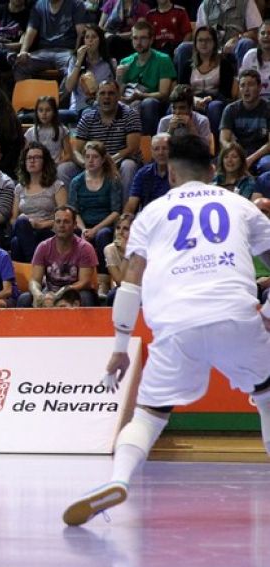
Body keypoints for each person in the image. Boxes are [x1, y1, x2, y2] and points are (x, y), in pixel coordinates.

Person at [62, 132, 270, 526]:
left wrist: (121, 345)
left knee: (147, 416)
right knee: (266, 393)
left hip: (175, 324)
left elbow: (131, 283)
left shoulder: (152, 214)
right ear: (212, 171)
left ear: (170, 174)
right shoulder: (240, 204)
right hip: (234, 312)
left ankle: (118, 479)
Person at [68, 141, 123, 297]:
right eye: (87, 157)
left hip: (104, 224)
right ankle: (76, 281)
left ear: (103, 159)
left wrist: (95, 229)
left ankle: (103, 283)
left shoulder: (112, 180)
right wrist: (84, 229)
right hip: (82, 224)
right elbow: (74, 211)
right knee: (75, 236)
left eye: (95, 157)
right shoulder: (76, 182)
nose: (91, 161)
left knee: (102, 235)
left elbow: (115, 212)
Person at [18, 204, 99, 307]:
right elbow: (35, 280)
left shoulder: (85, 248)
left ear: (74, 225)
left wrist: (61, 293)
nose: (61, 225)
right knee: (24, 298)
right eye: (58, 221)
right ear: (54, 225)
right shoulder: (43, 247)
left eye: (66, 221)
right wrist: (38, 294)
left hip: (74, 292)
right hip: (50, 291)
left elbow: (85, 282)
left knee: (85, 297)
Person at [117, 20, 177, 136]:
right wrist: (119, 78)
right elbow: (119, 94)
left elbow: (163, 93)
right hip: (129, 101)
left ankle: (148, 142)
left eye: (143, 38)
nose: (138, 42)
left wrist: (141, 96)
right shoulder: (125, 62)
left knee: (148, 103)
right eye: (135, 38)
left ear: (151, 39)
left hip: (154, 104)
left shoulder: (163, 59)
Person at [10, 142, 68, 263]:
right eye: (29, 158)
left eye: (37, 157)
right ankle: (35, 266)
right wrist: (25, 224)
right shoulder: (19, 188)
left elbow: (65, 218)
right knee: (20, 223)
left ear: (45, 162)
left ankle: (32, 268)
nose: (32, 161)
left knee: (16, 243)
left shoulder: (56, 186)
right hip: (25, 229)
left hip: (47, 231)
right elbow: (13, 219)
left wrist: (41, 225)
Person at [177, 25, 236, 138]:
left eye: (208, 40)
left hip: (216, 99)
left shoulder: (224, 64)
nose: (204, 43)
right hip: (192, 99)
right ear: (195, 43)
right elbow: (181, 89)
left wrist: (209, 99)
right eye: (200, 40)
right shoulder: (187, 65)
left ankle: (215, 145)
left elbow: (225, 92)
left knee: (215, 107)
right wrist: (193, 99)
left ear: (214, 43)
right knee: (174, 108)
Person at [14, 0, 88, 82]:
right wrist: (23, 51)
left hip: (67, 52)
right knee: (19, 65)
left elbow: (81, 33)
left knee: (74, 68)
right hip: (43, 52)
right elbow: (31, 30)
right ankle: (31, 94)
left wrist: (76, 54)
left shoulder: (76, 4)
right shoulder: (39, 5)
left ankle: (59, 95)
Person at [62, 23, 116, 122]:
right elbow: (69, 87)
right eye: (87, 37)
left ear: (100, 40)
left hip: (97, 108)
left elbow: (114, 91)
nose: (90, 40)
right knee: (51, 115)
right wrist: (79, 62)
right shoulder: (75, 60)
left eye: (94, 37)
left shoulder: (110, 63)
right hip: (76, 109)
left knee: (88, 113)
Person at [220, 70, 270, 174]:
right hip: (238, 153)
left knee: (266, 165)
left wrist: (250, 159)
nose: (246, 89)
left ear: (260, 88)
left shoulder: (268, 109)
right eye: (242, 85)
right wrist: (236, 157)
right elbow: (224, 139)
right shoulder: (230, 109)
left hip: (261, 154)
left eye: (251, 85)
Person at [124, 132, 170, 214]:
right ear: (151, 152)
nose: (160, 153)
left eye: (165, 148)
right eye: (156, 149)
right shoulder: (143, 173)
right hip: (148, 217)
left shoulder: (180, 173)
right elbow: (132, 203)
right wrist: (126, 218)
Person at [23, 96, 71, 170]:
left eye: (48, 110)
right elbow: (25, 154)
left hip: (54, 167)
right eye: (41, 110)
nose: (44, 113)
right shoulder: (30, 132)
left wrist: (57, 164)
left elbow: (68, 154)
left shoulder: (62, 130)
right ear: (36, 112)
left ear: (54, 112)